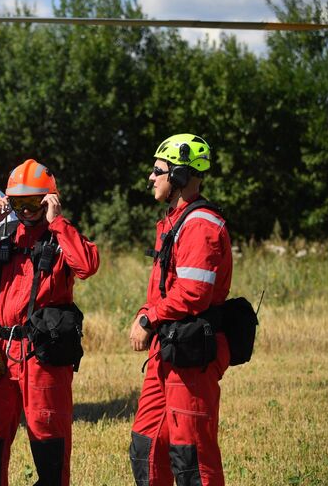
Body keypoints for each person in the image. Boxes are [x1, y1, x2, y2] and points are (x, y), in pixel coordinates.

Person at [0, 159, 100, 486]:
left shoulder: (61, 237)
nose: (26, 212)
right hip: (0, 352)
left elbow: (86, 266)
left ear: (50, 201)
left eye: (33, 204)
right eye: (18, 204)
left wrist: (58, 223)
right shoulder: (3, 234)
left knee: (48, 439)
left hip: (42, 356)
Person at [128, 134, 233, 486]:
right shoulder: (175, 221)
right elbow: (165, 285)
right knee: (146, 444)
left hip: (192, 353)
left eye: (158, 170)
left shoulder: (200, 225)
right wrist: (148, 310)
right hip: (168, 347)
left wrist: (150, 317)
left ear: (181, 176)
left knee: (192, 457)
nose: (151, 177)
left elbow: (194, 293)